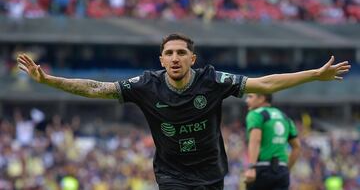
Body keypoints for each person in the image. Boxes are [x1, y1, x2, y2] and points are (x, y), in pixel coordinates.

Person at [17, 33, 350, 189]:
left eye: (180, 52)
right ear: (160, 60)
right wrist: (49, 80)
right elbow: (97, 88)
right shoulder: (146, 84)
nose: (174, 58)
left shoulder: (213, 80)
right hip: (171, 174)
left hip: (212, 171)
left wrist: (314, 74)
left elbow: (264, 84)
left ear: (192, 58)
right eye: (168, 53)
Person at [244, 93, 301, 190]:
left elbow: (256, 140)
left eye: (250, 96)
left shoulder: (255, 114)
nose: (246, 100)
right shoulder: (284, 117)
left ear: (261, 98)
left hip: (262, 169)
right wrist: (286, 169)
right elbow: (296, 147)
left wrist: (251, 167)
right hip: (281, 171)